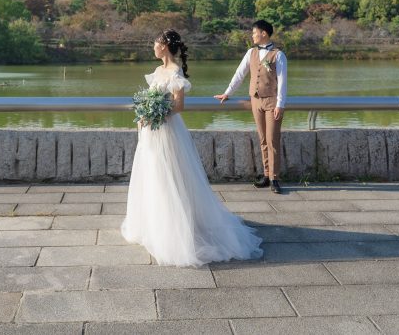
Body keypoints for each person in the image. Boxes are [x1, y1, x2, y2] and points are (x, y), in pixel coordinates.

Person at [121, 29, 264, 266]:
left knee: (171, 176)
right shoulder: (157, 71)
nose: (153, 47)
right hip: (151, 131)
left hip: (167, 130)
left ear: (164, 45)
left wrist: (155, 113)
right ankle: (154, 223)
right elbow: (153, 97)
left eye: (155, 43)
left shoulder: (175, 72)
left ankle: (177, 229)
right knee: (153, 175)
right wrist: (146, 112)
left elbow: (178, 106)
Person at [213, 19, 287, 194]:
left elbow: (283, 82)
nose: (252, 35)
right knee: (262, 139)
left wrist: (280, 104)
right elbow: (240, 74)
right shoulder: (250, 53)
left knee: (272, 140)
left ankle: (275, 178)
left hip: (272, 102)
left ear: (264, 33)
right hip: (255, 101)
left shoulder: (278, 55)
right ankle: (266, 175)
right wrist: (227, 92)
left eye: (254, 32)